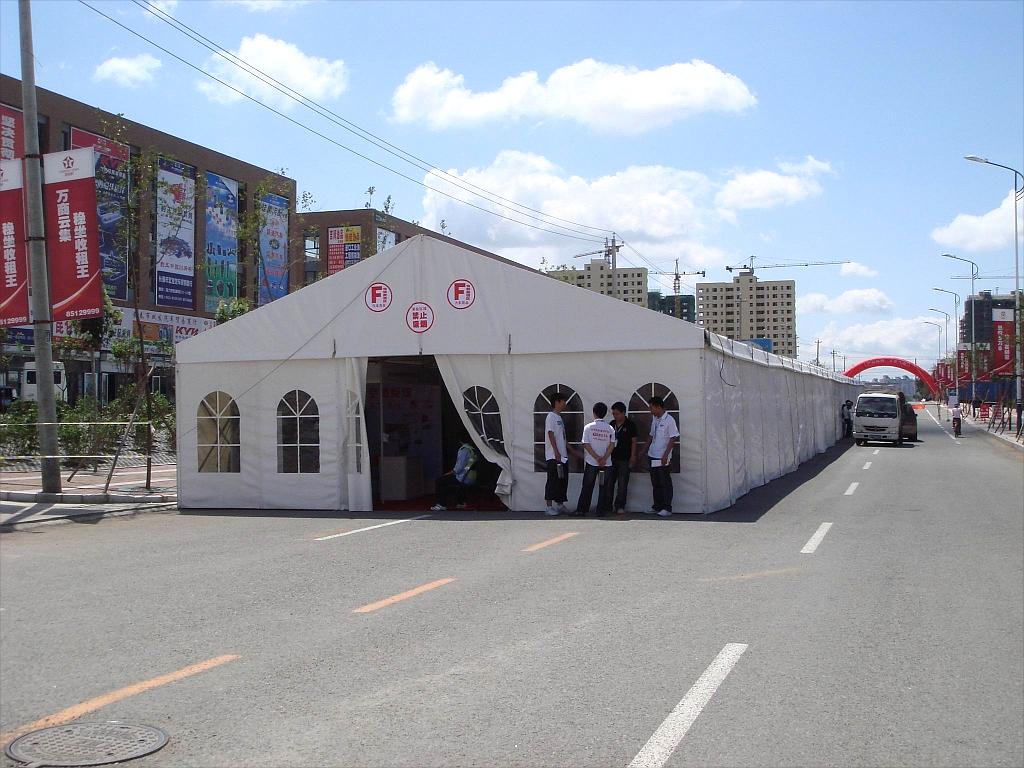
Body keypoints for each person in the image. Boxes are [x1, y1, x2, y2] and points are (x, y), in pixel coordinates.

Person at [574, 402, 616, 517]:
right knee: (604, 486)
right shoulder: (610, 428)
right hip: (606, 463)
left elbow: (586, 444)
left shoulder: (588, 427)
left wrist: (596, 457)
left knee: (587, 485)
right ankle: (601, 510)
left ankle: (582, 509)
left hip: (592, 461)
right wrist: (604, 458)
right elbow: (612, 445)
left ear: (594, 412)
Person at [643, 395, 679, 517]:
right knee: (655, 482)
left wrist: (666, 455)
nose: (650, 411)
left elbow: (672, 438)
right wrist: (644, 450)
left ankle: (667, 508)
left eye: (651, 408)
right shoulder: (655, 419)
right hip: (652, 454)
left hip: (662, 456)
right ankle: (657, 506)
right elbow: (651, 435)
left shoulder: (669, 420)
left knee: (665, 482)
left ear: (658, 407)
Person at [430, 437, 478, 511]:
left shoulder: (464, 450)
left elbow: (459, 467)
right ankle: (461, 501)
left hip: (464, 477)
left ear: (460, 441)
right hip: (472, 476)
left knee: (440, 481)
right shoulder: (473, 450)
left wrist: (451, 472)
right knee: (449, 480)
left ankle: (441, 504)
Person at [608, 401, 638, 515]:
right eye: (613, 414)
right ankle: (607, 505)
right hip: (612, 457)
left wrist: (633, 456)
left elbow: (634, 441)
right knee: (609, 482)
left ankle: (620, 505)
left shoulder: (630, 425)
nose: (615, 416)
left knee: (622, 483)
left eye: (617, 414)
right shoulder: (611, 424)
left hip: (625, 458)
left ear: (623, 413)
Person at [544, 393, 569, 516]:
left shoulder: (559, 417)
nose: (565, 404)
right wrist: (556, 451)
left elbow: (562, 437)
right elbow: (550, 434)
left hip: (563, 456)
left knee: (562, 480)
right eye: (563, 401)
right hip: (553, 456)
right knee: (553, 480)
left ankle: (560, 504)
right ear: (557, 402)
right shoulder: (551, 416)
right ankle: (548, 507)